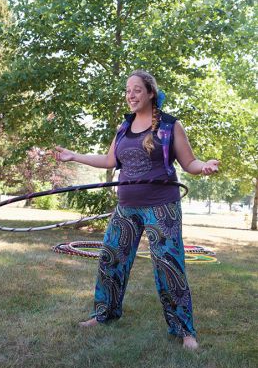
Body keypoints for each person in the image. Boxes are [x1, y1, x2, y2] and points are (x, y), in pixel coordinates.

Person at [55, 70, 219, 350]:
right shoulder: (123, 127)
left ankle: (184, 331)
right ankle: (104, 314)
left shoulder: (169, 126)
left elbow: (189, 162)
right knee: (110, 259)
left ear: (151, 93)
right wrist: (74, 156)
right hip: (126, 206)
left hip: (162, 205)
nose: (130, 95)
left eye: (136, 90)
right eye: (128, 90)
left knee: (169, 266)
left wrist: (203, 167)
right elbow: (109, 160)